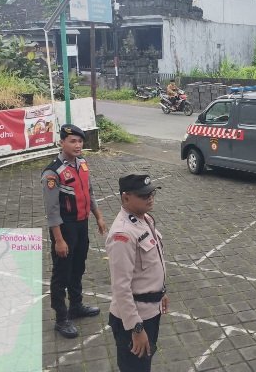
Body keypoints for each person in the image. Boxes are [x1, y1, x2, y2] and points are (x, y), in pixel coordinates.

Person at [41, 124, 107, 339]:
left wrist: (98, 217)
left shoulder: (82, 163)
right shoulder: (53, 172)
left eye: (80, 141)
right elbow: (52, 211)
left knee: (78, 267)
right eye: (72, 141)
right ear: (62, 143)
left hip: (81, 224)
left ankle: (76, 306)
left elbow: (89, 192)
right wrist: (59, 240)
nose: (78, 145)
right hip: (64, 227)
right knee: (62, 273)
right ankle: (61, 319)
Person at [106, 174, 168, 372]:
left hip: (150, 310)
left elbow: (153, 263)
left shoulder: (145, 219)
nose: (150, 198)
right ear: (126, 198)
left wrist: (161, 291)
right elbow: (120, 287)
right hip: (135, 319)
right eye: (143, 195)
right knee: (134, 368)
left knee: (143, 364)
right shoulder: (122, 234)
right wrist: (136, 328)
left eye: (151, 193)